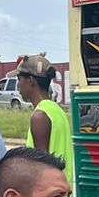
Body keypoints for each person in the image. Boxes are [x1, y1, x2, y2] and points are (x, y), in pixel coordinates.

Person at [20, 54, 73, 188]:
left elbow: (41, 167)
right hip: (61, 189)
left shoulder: (40, 116)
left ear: (31, 80)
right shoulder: (57, 110)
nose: (18, 84)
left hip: (48, 194)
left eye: (20, 79)